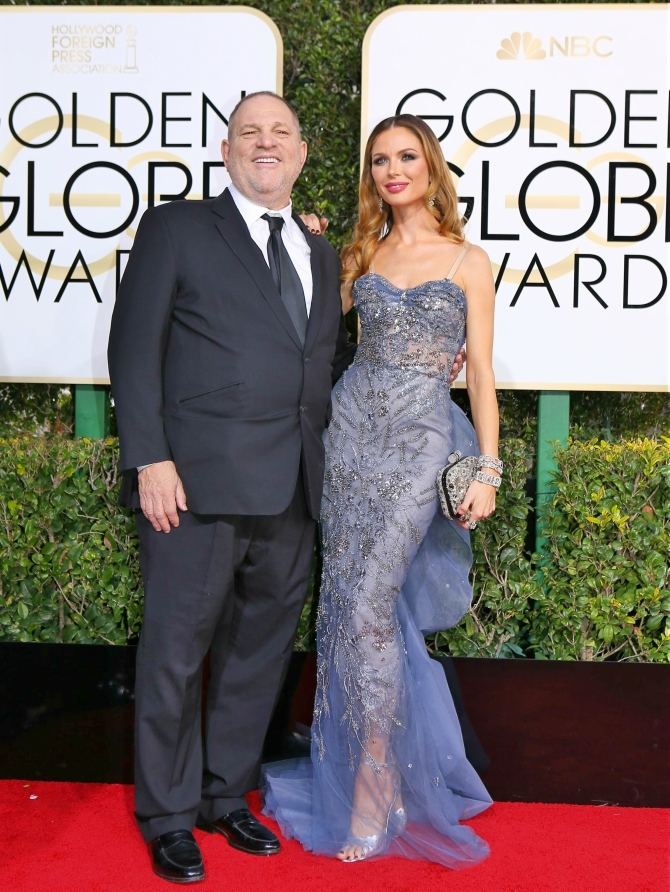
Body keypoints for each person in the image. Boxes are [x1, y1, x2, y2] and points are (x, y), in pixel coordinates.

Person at [107, 91, 361, 884]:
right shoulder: (178, 228)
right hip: (194, 489)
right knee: (176, 656)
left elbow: (318, 360)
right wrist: (149, 458)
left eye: (280, 132)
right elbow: (133, 347)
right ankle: (170, 815)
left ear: (302, 153)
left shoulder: (319, 251)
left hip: (294, 487)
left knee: (257, 656)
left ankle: (226, 797)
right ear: (225, 150)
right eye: (249, 131)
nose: (265, 143)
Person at [263, 113, 499, 867]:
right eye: (380, 161)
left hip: (420, 440)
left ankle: (375, 781)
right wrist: (297, 244)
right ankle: (370, 768)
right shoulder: (360, 251)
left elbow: (485, 373)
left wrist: (488, 469)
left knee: (369, 603)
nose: (393, 170)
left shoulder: (468, 261)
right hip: (351, 433)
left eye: (405, 156)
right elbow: (302, 326)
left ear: (430, 166)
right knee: (344, 601)